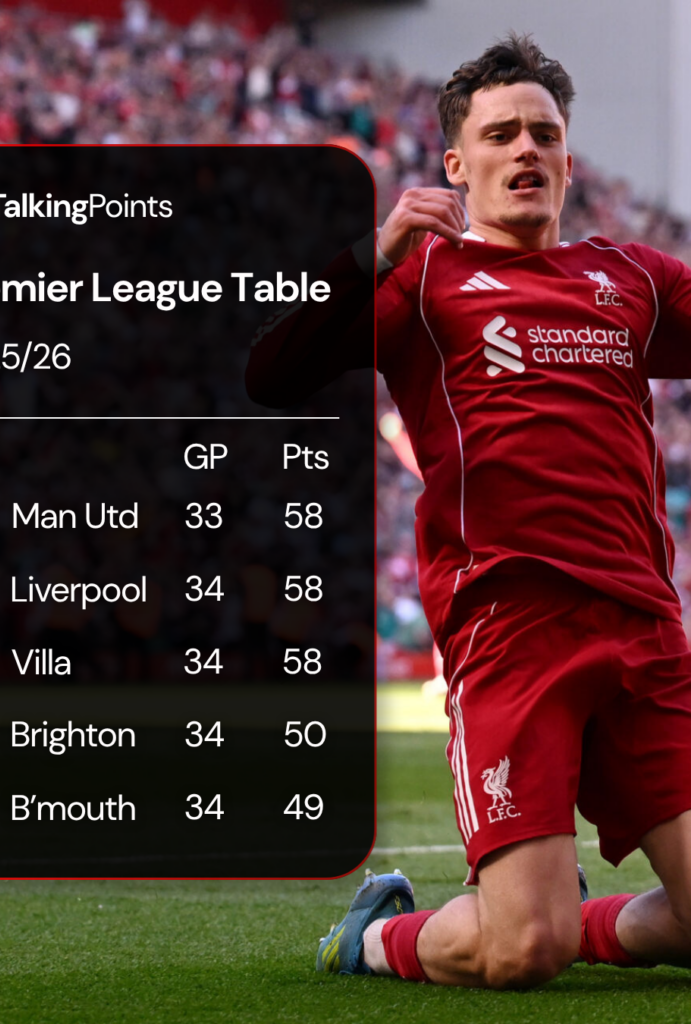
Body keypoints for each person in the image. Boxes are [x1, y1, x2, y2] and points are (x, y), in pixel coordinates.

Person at [246, 33, 691, 989]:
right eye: (501, 135)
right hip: (511, 627)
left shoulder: (633, 277)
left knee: (567, 929)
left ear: (566, 158)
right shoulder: (421, 281)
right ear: (456, 165)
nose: (526, 148)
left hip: (645, 632)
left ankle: (566, 915)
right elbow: (271, 375)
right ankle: (374, 935)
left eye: (543, 133)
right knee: (523, 952)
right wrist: (372, 253)